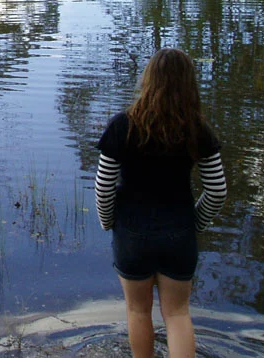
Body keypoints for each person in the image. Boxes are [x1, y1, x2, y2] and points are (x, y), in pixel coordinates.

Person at [95, 48, 227, 358]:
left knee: (139, 312)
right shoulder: (198, 130)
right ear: (189, 84)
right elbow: (217, 190)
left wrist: (107, 222)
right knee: (178, 314)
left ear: (148, 80)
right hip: (179, 233)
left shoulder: (122, 126)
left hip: (132, 234)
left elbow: (103, 187)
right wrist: (195, 224)